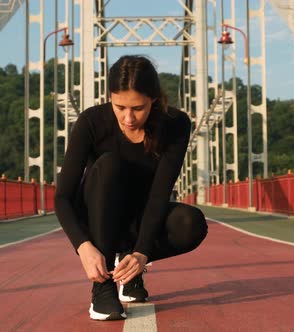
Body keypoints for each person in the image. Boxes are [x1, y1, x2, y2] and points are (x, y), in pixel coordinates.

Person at [55, 55, 207, 321]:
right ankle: (102, 288)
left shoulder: (175, 124)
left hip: (138, 219)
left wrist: (141, 253)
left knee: (191, 223)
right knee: (110, 164)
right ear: (110, 97)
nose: (128, 118)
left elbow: (160, 194)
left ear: (155, 100)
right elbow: (63, 197)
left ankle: (129, 267)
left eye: (138, 108)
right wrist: (83, 246)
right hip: (96, 218)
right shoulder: (91, 122)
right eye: (119, 107)